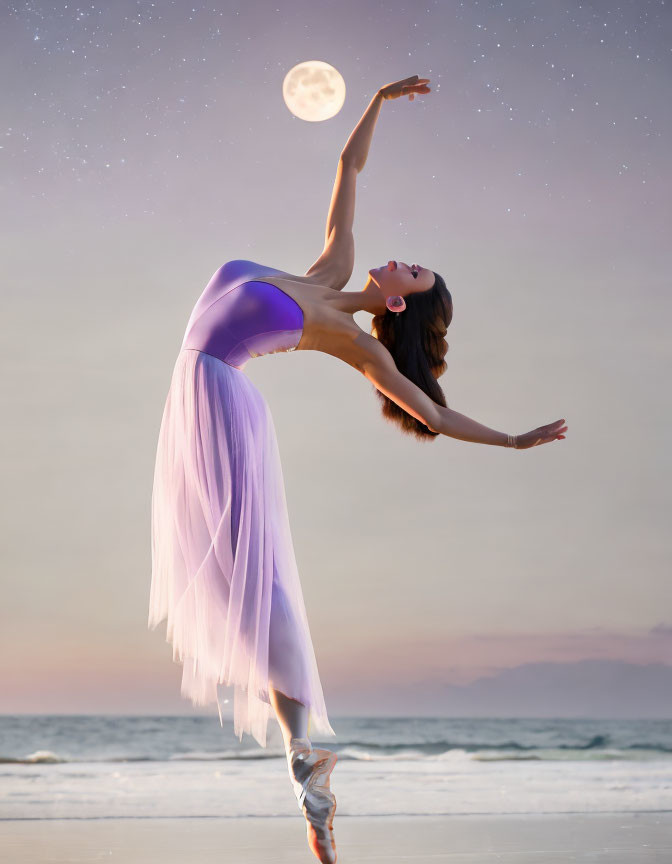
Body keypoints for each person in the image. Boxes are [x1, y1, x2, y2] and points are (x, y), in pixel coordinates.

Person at [148, 74, 568, 864]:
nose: (403, 261)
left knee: (255, 578)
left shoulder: (361, 343)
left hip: (220, 399)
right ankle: (305, 760)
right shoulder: (331, 269)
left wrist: (513, 441)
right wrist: (377, 98)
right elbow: (348, 168)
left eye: (414, 272)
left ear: (401, 305)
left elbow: (432, 414)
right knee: (242, 579)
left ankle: (301, 756)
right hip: (198, 390)